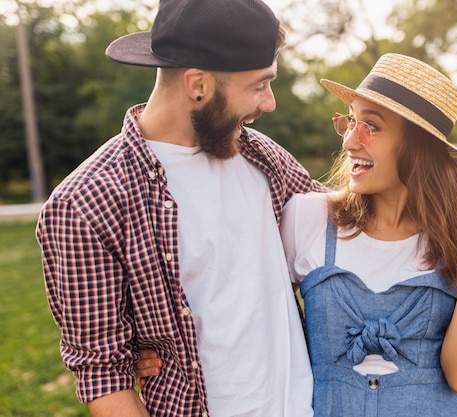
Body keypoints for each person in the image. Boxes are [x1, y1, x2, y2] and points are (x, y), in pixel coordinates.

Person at [137, 53, 457, 415]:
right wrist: (154, 344)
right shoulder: (307, 218)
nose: (350, 141)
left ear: (418, 146)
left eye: (371, 126)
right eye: (349, 122)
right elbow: (239, 303)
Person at [35, 0, 325, 416]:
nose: (269, 103)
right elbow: (104, 376)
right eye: (259, 85)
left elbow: (344, 224)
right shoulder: (86, 204)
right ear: (198, 84)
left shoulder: (264, 158)